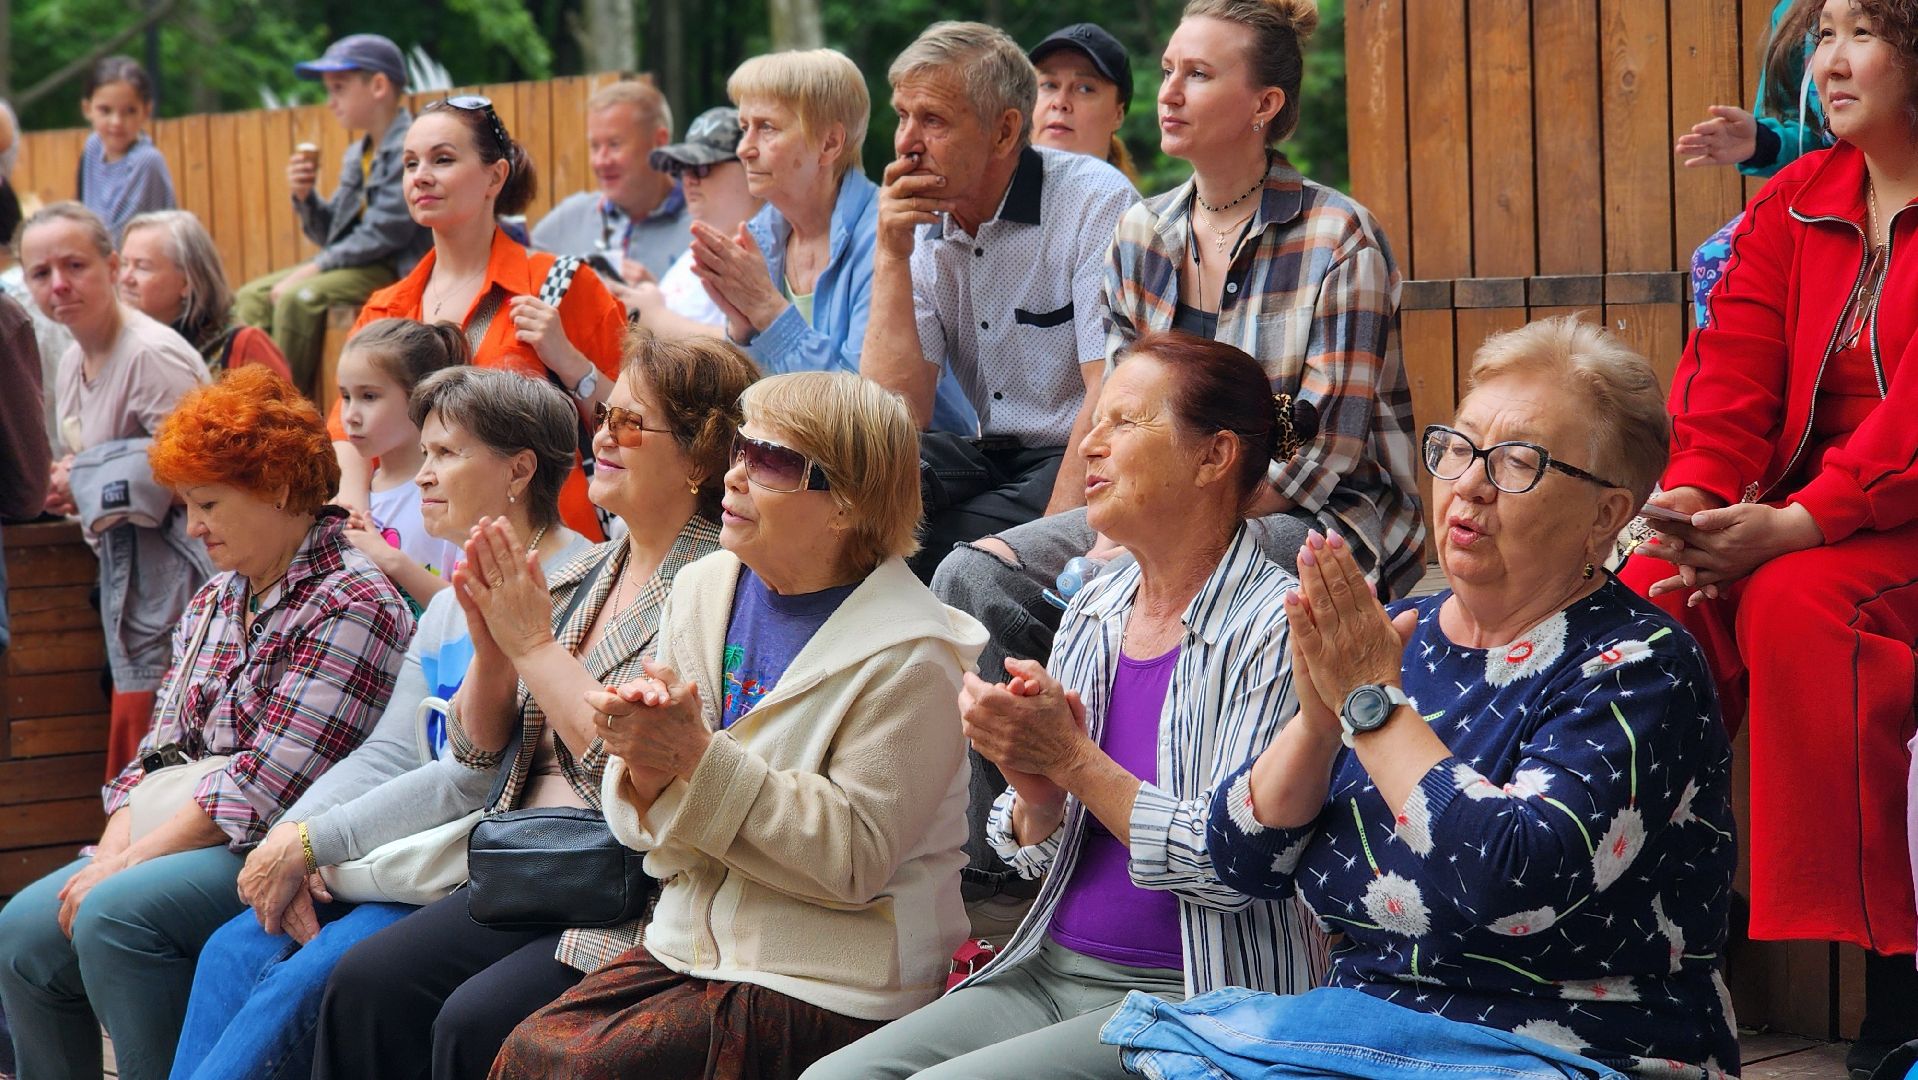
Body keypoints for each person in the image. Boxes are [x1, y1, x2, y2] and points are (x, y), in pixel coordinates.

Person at [1106, 316, 1740, 1079]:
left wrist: (1373, 707)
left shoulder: (1639, 665)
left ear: (1606, 515)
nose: (1469, 483)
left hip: (1573, 1052)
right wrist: (1318, 723)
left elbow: (1510, 882)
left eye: (1517, 462)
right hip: (1357, 1040)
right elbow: (1241, 858)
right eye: (1461, 449)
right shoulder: (1409, 635)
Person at [937, 0, 1422, 924]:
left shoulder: (1338, 238)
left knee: (1230, 573)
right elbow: (1112, 418)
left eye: (1199, 74)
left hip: (1322, 521)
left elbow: (1319, 451)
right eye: (1167, 71)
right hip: (1163, 516)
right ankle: (996, 876)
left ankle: (1200, 855)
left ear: (1265, 102)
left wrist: (1133, 551)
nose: (1168, 92)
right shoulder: (1141, 235)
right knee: (973, 574)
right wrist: (1102, 527)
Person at [807, 333, 1324, 1080]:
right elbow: (1042, 855)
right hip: (1050, 968)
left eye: (1125, 423)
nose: (1090, 444)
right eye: (1095, 421)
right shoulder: (1098, 610)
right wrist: (1036, 793)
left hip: (1199, 997)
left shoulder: (1276, 628)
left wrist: (1072, 760)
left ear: (1214, 457)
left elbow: (1230, 867)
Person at [491, 369, 985, 1080]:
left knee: (568, 1066)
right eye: (741, 449)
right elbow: (646, 829)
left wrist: (692, 755)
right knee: (520, 1048)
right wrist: (647, 766)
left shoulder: (915, 655)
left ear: (847, 504)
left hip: (833, 978)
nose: (738, 475)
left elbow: (850, 861)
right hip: (688, 943)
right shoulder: (702, 587)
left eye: (773, 461)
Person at [311, 334, 757, 1080]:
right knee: (364, 983)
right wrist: (493, 650)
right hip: (527, 864)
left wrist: (531, 648)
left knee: (473, 1022)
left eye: (631, 423)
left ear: (703, 456)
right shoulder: (585, 566)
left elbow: (634, 764)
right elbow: (480, 755)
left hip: (629, 889)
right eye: (605, 414)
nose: (604, 433)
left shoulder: (721, 583)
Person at [1621, 1, 1918, 1072]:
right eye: (1823, 34)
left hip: (1886, 519)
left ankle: (1898, 982)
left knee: (1800, 603)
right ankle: (1640, 924)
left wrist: (1796, 524)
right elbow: (1730, 370)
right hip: (1798, 513)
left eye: (1863, 34)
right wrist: (1695, 506)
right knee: (1651, 594)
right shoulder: (1800, 195)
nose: (1829, 62)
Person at [170, 367, 595, 1080]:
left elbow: (473, 777)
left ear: (520, 469)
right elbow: (389, 753)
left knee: (317, 979)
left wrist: (313, 842)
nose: (421, 476)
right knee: (232, 949)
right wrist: (288, 839)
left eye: (447, 454)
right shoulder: (451, 603)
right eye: (423, 454)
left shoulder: (580, 586)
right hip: (401, 854)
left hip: (467, 874)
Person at [0, 365, 412, 1080]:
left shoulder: (354, 600)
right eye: (188, 504)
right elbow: (156, 757)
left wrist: (122, 868)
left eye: (209, 504)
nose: (194, 527)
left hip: (282, 850)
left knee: (116, 917)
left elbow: (263, 790)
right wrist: (106, 855)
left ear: (280, 487)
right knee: (20, 934)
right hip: (189, 831)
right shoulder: (218, 597)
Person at [862, 21, 1141, 579]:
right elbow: (894, 415)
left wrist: (1051, 542)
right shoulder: (921, 217)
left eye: (933, 120)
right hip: (992, 454)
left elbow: (1108, 394)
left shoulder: (1094, 201)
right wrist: (890, 254)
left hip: (1080, 457)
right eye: (902, 115)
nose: (906, 143)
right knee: (845, 486)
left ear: (1005, 131)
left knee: (935, 553)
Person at [332, 97, 629, 543]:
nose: (421, 176)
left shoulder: (562, 285)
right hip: (412, 552)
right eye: (410, 163)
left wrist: (570, 363)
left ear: (496, 175)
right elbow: (346, 429)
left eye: (443, 159)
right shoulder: (386, 307)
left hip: (543, 550)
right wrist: (355, 514)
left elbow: (635, 425)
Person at [688, 49, 976, 436]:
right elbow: (756, 409)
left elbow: (868, 416)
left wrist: (770, 315)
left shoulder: (892, 238)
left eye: (767, 127)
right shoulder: (761, 236)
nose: (744, 148)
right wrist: (743, 334)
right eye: (744, 127)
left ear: (829, 144)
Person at [21, 202, 207, 778]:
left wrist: (84, 477)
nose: (59, 284)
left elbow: (202, 476)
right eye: (41, 273)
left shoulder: (151, 356)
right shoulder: (74, 356)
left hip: (180, 588)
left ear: (112, 265)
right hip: (125, 584)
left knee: (166, 759)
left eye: (74, 265)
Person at [233, 34, 430, 392]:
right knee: (250, 296)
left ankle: (284, 412)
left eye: (338, 88)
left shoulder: (413, 144)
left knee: (298, 297)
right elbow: (333, 235)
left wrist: (312, 269)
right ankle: (248, 397)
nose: (330, 102)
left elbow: (386, 233)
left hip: (394, 265)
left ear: (379, 86)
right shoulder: (358, 153)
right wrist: (305, 197)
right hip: (356, 264)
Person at [1677, 0, 1828, 327]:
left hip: (1898, 183)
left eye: (1858, 33)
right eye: (1827, 35)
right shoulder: (1791, 10)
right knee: (1717, 259)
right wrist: (1764, 142)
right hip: (1826, 189)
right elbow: (1813, 138)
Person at [335, 318, 471, 608]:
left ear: (419, 397)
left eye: (369, 396)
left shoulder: (452, 496)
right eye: (346, 396)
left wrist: (390, 559)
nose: (350, 415)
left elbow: (468, 610)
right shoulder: (353, 491)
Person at [616, 104, 762, 334]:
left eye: (703, 167)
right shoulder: (705, 246)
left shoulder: (770, 251)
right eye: (683, 168)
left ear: (750, 166)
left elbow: (751, 355)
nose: (689, 179)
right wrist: (652, 295)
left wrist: (655, 317)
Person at [532, 80, 691, 282]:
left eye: (614, 145)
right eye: (595, 146)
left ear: (659, 142)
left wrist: (659, 302)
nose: (600, 161)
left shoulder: (701, 226)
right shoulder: (571, 217)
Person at [118, 210, 292, 381]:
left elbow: (282, 409)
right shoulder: (117, 343)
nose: (125, 278)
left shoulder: (244, 346)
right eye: (124, 264)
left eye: (142, 267)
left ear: (187, 282)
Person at [75, 55, 175, 237]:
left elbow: (122, 236)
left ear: (146, 111)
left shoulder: (146, 161)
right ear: (87, 109)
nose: (117, 122)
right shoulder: (93, 146)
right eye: (105, 110)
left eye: (129, 111)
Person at [1030, 23, 1139, 186]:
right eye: (1049, 85)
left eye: (1085, 89)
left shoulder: (1124, 206)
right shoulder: (985, 198)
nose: (1060, 103)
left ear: (1118, 115)